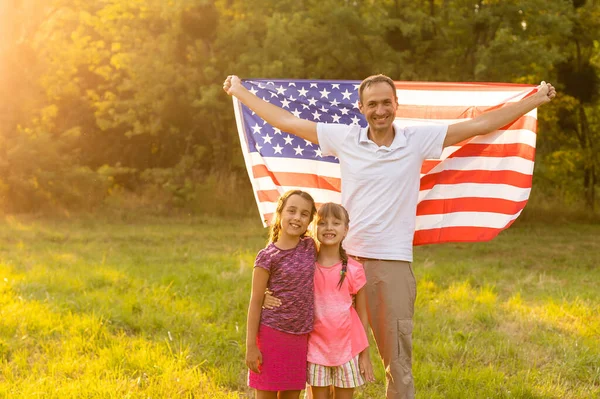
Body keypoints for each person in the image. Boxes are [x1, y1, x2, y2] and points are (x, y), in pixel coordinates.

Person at [225, 74, 556, 399]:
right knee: (323, 357)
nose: (380, 110)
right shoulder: (346, 138)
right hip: (342, 264)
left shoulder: (416, 140)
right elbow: (288, 122)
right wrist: (240, 92)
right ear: (361, 107)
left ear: (397, 104)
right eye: (372, 104)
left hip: (392, 265)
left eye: (386, 102)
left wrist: (534, 100)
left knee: (397, 362)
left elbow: (479, 125)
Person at [264, 203, 376, 398]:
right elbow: (283, 280)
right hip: (315, 350)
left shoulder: (354, 269)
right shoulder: (306, 265)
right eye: (322, 223)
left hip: (346, 351)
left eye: (336, 223)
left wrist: (364, 354)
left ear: (345, 230)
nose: (329, 228)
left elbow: (362, 315)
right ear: (314, 228)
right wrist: (265, 294)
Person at [246, 189, 317, 399]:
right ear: (280, 213)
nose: (297, 217)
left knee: (291, 395)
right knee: (266, 394)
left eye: (304, 214)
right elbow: (255, 302)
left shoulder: (311, 247)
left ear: (309, 221)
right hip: (271, 334)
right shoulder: (267, 256)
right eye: (292, 211)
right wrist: (251, 346)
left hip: (299, 337)